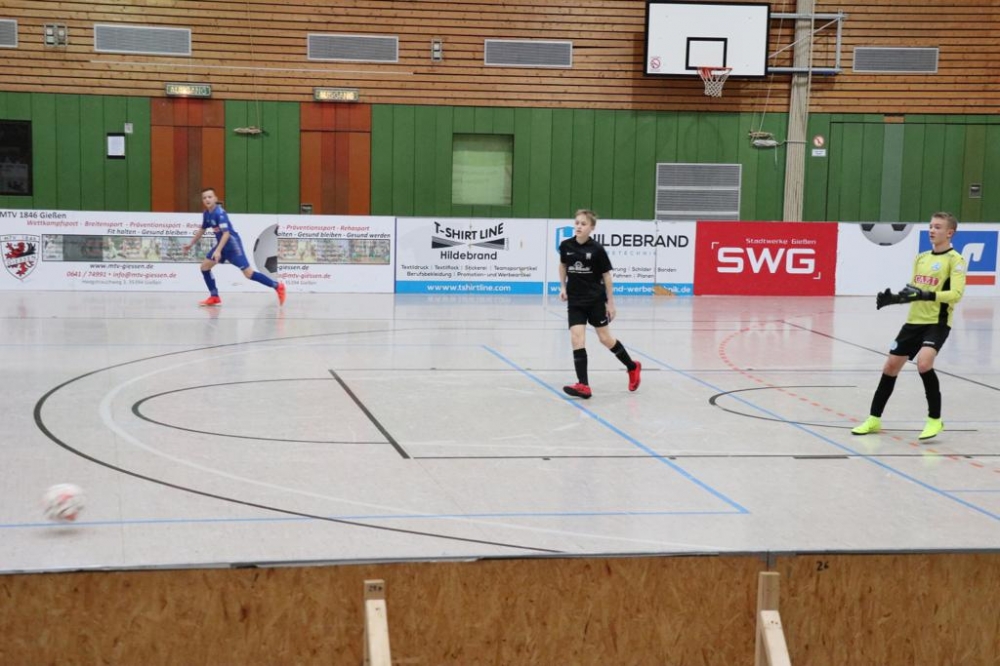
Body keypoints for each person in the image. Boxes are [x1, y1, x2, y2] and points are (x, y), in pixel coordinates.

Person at [852, 212, 967, 440]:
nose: (932, 230)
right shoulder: (921, 258)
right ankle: (874, 419)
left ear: (949, 233)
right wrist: (895, 299)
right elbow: (914, 292)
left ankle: (934, 420)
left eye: (937, 227)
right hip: (913, 322)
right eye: (931, 226)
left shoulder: (956, 260)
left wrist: (926, 295)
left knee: (924, 363)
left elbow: (956, 294)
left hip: (937, 322)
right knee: (890, 367)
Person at [559, 209, 641, 399]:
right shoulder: (566, 245)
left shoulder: (597, 250)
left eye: (583, 224)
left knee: (605, 339)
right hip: (575, 301)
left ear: (592, 228)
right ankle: (583, 385)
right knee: (576, 339)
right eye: (577, 223)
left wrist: (610, 303)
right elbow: (562, 265)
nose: (579, 226)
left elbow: (606, 276)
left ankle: (632, 366)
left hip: (595, 300)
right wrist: (562, 287)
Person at [182, 187, 286, 307]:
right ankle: (214, 296)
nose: (207, 199)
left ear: (215, 198)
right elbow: (202, 229)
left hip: (232, 246)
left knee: (249, 274)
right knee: (205, 267)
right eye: (204, 198)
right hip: (221, 246)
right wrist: (191, 244)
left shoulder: (220, 214)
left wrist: (218, 251)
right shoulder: (207, 214)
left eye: (210, 197)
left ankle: (278, 286)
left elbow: (226, 234)